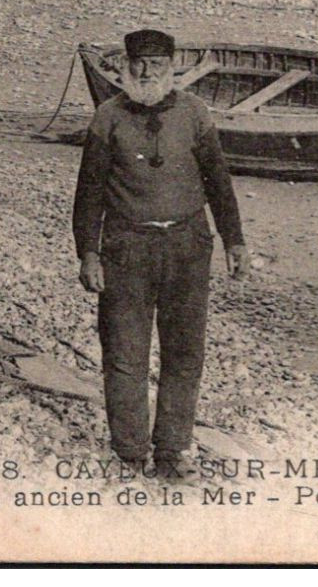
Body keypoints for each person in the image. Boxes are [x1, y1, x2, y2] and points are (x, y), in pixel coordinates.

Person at [71, 28, 247, 478]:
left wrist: (235, 242)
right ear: (126, 68)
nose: (147, 73)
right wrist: (88, 254)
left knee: (185, 352)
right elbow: (88, 193)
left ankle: (172, 451)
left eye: (157, 66)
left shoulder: (194, 114)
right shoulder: (107, 117)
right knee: (125, 352)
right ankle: (129, 452)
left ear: (172, 69)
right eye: (139, 65)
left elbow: (219, 183)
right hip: (126, 248)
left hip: (188, 248)